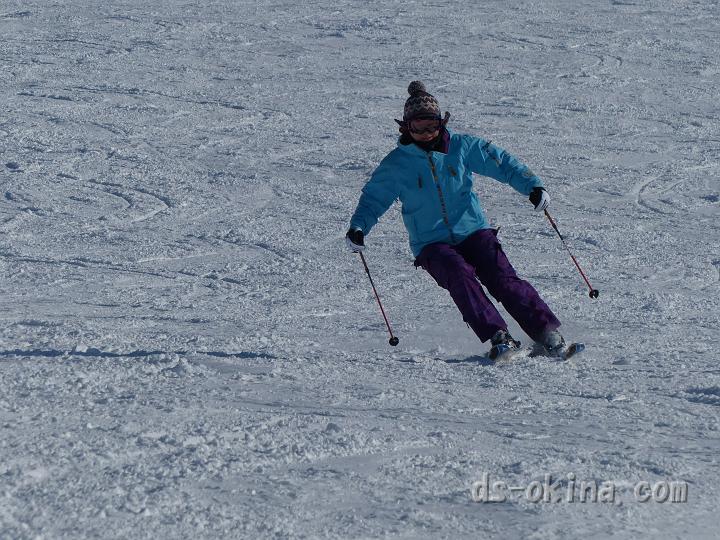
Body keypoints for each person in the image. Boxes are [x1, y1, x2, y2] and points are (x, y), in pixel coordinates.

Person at [346, 81, 567, 359]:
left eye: (431, 126)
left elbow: (501, 162)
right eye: (417, 127)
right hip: (431, 243)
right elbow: (374, 199)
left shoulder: (462, 147)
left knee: (502, 279)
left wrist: (532, 186)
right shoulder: (396, 164)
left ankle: (546, 333)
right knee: (458, 274)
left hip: (474, 230)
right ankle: (499, 336)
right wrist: (359, 226)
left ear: (442, 123)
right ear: (405, 127)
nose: (425, 134)